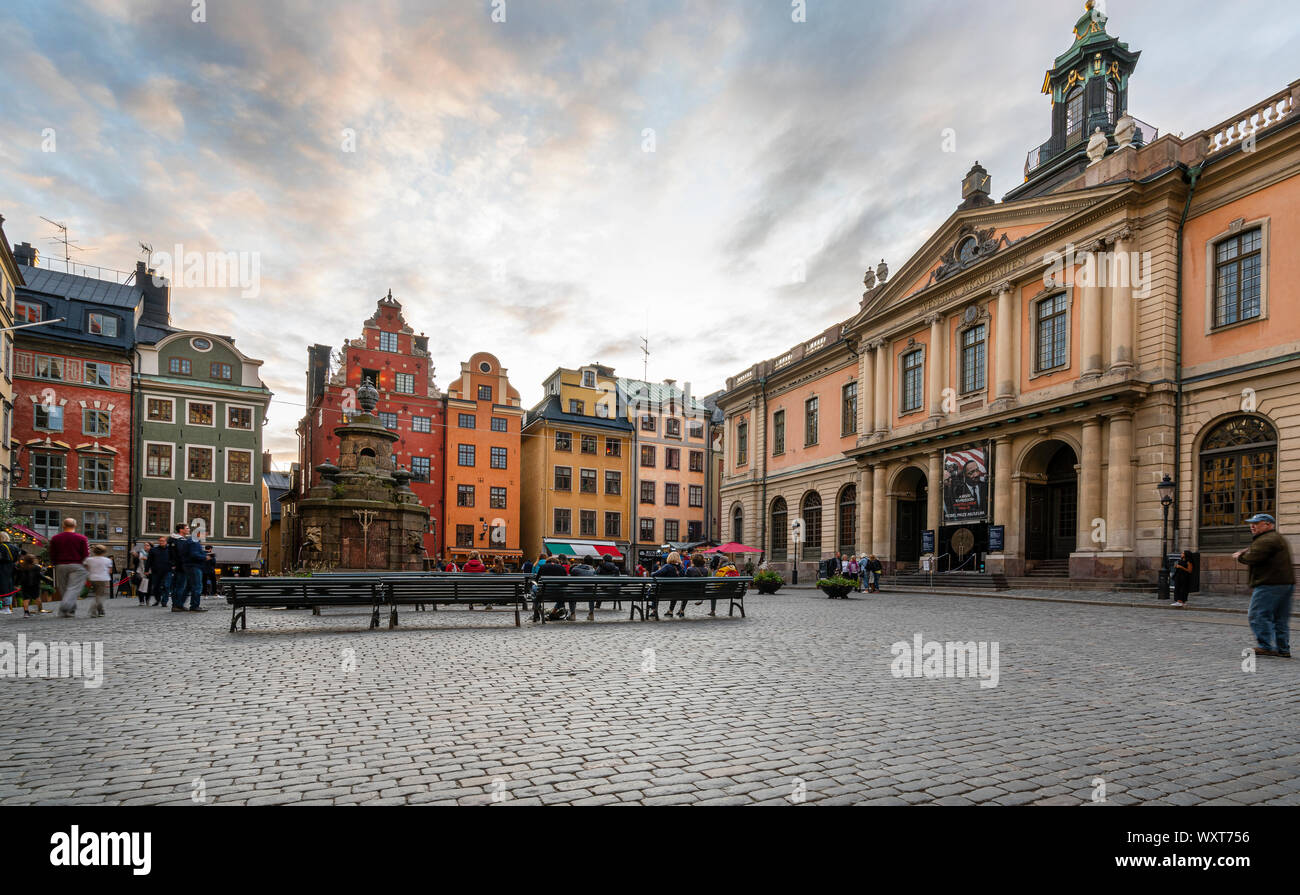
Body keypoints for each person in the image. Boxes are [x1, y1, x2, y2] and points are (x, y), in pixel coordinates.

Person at [1233, 513, 1293, 658]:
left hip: (1269, 584)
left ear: (1267, 524)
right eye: (1251, 523)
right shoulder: (1276, 538)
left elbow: (1253, 558)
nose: (1252, 526)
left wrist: (1240, 556)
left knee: (1257, 614)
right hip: (1285, 583)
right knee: (1280, 618)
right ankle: (1283, 648)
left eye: (1256, 523)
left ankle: (1265, 646)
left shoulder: (1266, 539)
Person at [52, 518, 90, 618]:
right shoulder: (81, 538)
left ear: (63, 526)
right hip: (77, 565)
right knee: (73, 588)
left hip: (61, 565)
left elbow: (52, 553)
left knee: (64, 588)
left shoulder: (56, 538)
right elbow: (85, 554)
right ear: (75, 526)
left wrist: (55, 563)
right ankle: (66, 606)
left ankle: (69, 611)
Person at [173, 523, 208, 612]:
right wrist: (205, 557)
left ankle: (179, 604)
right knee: (197, 586)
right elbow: (193, 554)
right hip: (194, 566)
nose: (205, 535)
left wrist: (204, 553)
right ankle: (194, 606)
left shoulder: (189, 541)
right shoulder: (194, 541)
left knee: (188, 587)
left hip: (188, 566)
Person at [650, 550, 684, 620]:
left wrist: (655, 572)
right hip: (677, 592)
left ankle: (654, 611)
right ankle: (671, 611)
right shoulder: (681, 568)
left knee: (654, 590)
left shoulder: (667, 566)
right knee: (675, 590)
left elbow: (654, 574)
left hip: (663, 591)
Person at [84, 544, 114, 618]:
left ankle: (101, 611)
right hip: (102, 579)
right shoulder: (108, 560)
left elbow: (86, 569)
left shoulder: (89, 560)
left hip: (92, 578)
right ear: (104, 552)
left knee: (97, 595)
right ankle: (93, 610)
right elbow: (110, 571)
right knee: (100, 596)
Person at [146, 535, 173, 607]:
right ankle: (158, 600)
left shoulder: (170, 550)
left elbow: (174, 559)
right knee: (156, 587)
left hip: (167, 571)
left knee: (166, 586)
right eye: (160, 541)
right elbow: (149, 561)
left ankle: (164, 601)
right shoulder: (153, 550)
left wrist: (174, 565)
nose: (161, 542)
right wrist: (146, 570)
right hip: (156, 571)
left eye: (163, 541)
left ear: (166, 542)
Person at [0, 531, 22, 615]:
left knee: (2, 587)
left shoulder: (1, 547)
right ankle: (7, 607)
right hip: (11, 568)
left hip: (2, 568)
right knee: (9, 587)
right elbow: (17, 559)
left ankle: (4, 607)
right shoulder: (15, 547)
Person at [682, 552, 710, 617]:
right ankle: (681, 610)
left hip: (690, 592)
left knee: (685, 590)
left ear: (693, 561)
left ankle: (682, 610)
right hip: (701, 592)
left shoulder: (689, 569)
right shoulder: (706, 570)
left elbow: (685, 581)